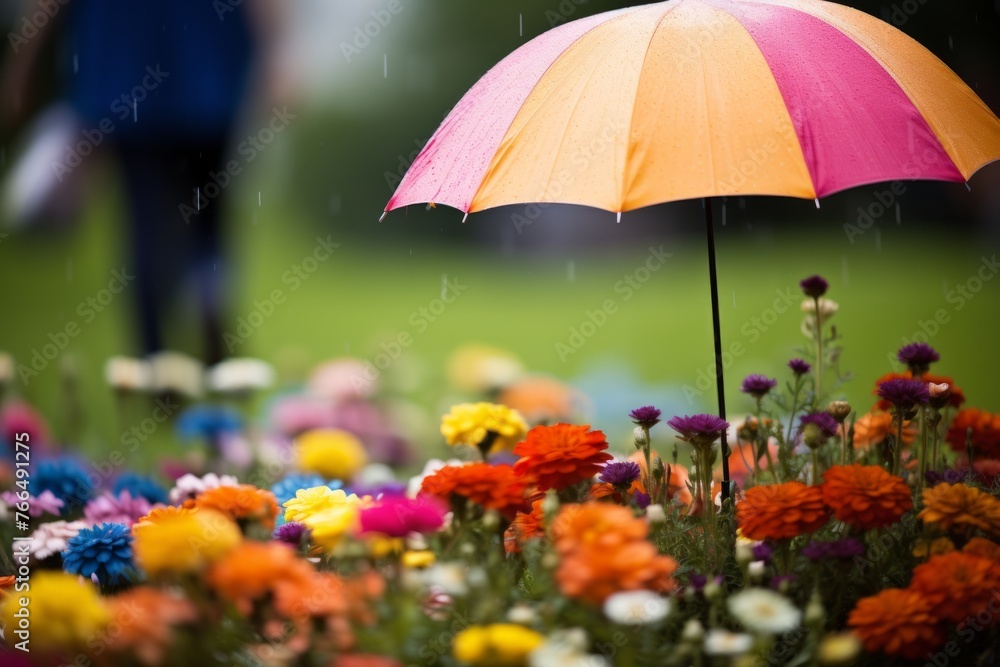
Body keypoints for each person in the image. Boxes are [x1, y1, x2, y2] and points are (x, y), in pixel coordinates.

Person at [2, 0, 283, 364]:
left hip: (127, 58)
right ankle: (210, 302)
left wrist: (23, 62)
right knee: (208, 214)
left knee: (144, 216)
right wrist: (277, 52)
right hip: (208, 53)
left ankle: (153, 357)